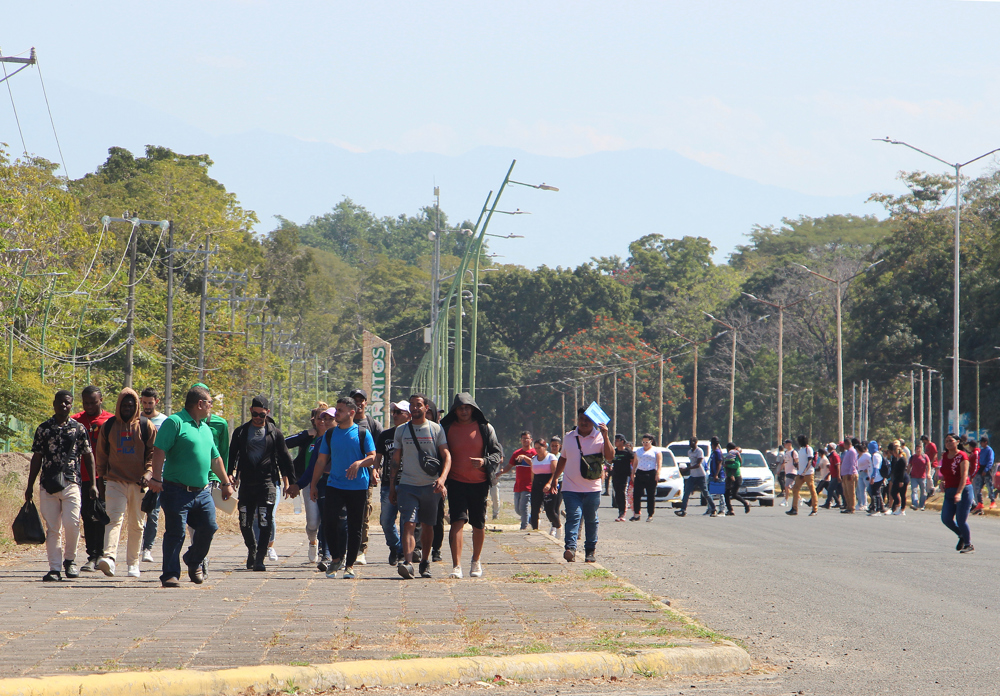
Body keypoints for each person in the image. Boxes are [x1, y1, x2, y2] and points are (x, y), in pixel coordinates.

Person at [146, 385, 235, 588]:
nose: (211, 406)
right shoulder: (175, 422)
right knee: (176, 533)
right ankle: (170, 574)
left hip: (202, 492)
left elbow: (215, 459)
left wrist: (226, 483)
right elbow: (159, 450)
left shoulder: (205, 427)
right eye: (210, 402)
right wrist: (156, 478)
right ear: (200, 404)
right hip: (176, 490)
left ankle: (193, 560)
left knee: (209, 527)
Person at [25, 391, 98, 582]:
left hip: (71, 483)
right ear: (54, 403)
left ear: (71, 405)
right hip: (48, 485)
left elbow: (89, 456)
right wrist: (29, 485)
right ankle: (54, 568)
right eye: (61, 402)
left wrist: (93, 484)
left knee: (72, 524)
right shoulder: (43, 429)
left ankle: (70, 560)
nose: (64, 406)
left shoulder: (79, 428)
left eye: (67, 403)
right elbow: (37, 458)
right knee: (53, 528)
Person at [310, 399, 376, 579]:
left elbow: (372, 457)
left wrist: (359, 463)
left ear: (351, 413)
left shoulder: (362, 433)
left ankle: (350, 565)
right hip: (334, 484)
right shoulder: (330, 434)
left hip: (358, 486)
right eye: (337, 409)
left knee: (355, 526)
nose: (336, 413)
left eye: (340, 410)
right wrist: (313, 485)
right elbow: (321, 461)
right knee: (329, 522)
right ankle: (336, 559)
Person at [95, 388, 157, 578]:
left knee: (137, 524)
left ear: (136, 406)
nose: (127, 408)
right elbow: (101, 454)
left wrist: (149, 472)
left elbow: (153, 453)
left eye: (131, 405)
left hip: (139, 484)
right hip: (115, 481)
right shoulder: (109, 426)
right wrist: (101, 480)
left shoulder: (146, 426)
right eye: (124, 405)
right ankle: (109, 558)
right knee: (114, 520)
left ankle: (133, 563)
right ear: (118, 406)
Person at [441, 393, 503, 579]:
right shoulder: (446, 428)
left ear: (473, 409)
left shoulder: (485, 428)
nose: (464, 411)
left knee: (478, 523)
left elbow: (497, 453)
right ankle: (456, 566)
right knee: (457, 522)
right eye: (460, 408)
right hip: (456, 482)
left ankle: (476, 560)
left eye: (467, 408)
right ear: (455, 410)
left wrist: (484, 461)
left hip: (479, 483)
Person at [229, 396, 295, 571]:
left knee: (265, 521)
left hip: (267, 483)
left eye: (262, 415)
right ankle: (252, 549)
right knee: (245, 522)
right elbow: (232, 454)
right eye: (255, 414)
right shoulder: (241, 432)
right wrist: (229, 474)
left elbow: (285, 458)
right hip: (247, 483)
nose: (258, 418)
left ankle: (260, 558)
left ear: (268, 413)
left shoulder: (274, 433)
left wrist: (292, 482)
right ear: (251, 411)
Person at [390, 394, 451, 579]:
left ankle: (425, 561)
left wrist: (442, 479)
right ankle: (408, 563)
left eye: (419, 405)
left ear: (426, 408)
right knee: (408, 523)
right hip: (407, 485)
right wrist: (392, 486)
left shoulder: (436, 429)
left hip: (430, 486)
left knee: (427, 526)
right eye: (412, 405)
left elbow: (447, 456)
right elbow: (395, 460)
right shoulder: (401, 430)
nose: (415, 408)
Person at [544, 408, 613, 563]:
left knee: (591, 519)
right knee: (573, 517)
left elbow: (610, 457)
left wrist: (606, 435)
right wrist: (555, 478)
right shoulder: (569, 437)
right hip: (571, 487)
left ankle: (590, 551)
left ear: (594, 421)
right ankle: (570, 548)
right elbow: (563, 458)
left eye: (588, 419)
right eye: (581, 418)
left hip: (592, 488)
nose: (584, 422)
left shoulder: (600, 437)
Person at [71, 385, 114, 572]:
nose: (89, 406)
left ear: (101, 400)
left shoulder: (111, 420)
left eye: (93, 403)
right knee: (87, 516)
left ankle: (103, 554)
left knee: (102, 515)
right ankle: (92, 556)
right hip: (83, 476)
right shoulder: (75, 420)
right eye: (86, 403)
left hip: (104, 476)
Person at [287, 406, 332, 569]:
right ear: (314, 420)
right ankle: (313, 541)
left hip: (330, 484)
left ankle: (327, 553)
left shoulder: (336, 437)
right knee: (313, 522)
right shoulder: (311, 439)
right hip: (309, 483)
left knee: (328, 519)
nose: (323, 421)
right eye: (319, 418)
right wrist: (306, 434)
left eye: (326, 418)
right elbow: (284, 443)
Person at [349, 388, 384, 566]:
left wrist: (376, 470)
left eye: (361, 400)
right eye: (355, 400)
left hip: (364, 478)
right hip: (343, 477)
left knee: (363, 514)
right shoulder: (342, 424)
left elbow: (379, 452)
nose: (358, 403)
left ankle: (361, 550)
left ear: (366, 402)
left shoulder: (373, 425)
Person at [373, 401, 410, 565]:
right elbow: (378, 457)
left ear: (408, 415)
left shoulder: (412, 434)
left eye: (399, 412)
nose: (395, 415)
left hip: (408, 482)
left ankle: (402, 552)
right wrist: (375, 469)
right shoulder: (385, 435)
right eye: (393, 412)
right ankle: (395, 546)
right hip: (389, 483)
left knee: (405, 521)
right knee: (386, 520)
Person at [139, 387, 169, 563]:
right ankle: (138, 544)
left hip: (158, 474)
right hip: (139, 473)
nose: (147, 406)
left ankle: (147, 548)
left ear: (156, 402)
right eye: (144, 402)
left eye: (150, 403)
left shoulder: (165, 421)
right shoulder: (137, 420)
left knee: (153, 512)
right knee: (138, 512)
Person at [939, 433, 974, 553]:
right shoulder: (945, 456)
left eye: (951, 441)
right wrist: (942, 481)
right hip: (949, 491)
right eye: (946, 441)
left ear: (957, 442)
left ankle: (969, 544)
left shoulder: (962, 456)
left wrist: (959, 493)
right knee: (946, 518)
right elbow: (945, 472)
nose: (948, 443)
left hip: (963, 491)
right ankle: (961, 534)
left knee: (961, 520)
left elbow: (964, 476)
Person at [502, 432, 536, 530]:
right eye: (523, 438)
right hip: (518, 485)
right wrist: (499, 473)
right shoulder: (516, 453)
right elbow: (509, 466)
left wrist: (525, 457)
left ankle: (523, 527)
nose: (525, 440)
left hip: (529, 485)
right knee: (518, 510)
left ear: (531, 440)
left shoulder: (534, 453)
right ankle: (532, 520)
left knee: (523, 507)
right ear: (521, 440)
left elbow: (535, 464)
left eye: (527, 438)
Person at [676, 436, 715, 518]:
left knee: (705, 493)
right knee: (686, 492)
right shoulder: (689, 452)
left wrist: (687, 468)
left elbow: (697, 464)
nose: (691, 444)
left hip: (700, 475)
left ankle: (713, 508)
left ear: (696, 443)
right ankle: (683, 510)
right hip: (693, 475)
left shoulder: (699, 451)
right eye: (690, 442)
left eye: (692, 442)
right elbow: (692, 463)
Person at [529, 438, 561, 535]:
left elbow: (555, 473)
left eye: (539, 448)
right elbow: (532, 474)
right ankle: (535, 531)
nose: (537, 450)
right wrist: (532, 485)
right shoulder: (534, 459)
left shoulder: (551, 457)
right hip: (536, 485)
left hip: (549, 485)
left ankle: (558, 526)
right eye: (536, 448)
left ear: (545, 447)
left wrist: (549, 484)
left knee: (550, 511)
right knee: (534, 510)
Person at [630, 434, 662, 521]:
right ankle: (636, 514)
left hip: (651, 473)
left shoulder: (656, 450)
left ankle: (650, 515)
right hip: (640, 473)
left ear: (651, 441)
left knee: (650, 495)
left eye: (646, 442)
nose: (645, 444)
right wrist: (633, 473)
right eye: (643, 442)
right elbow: (635, 463)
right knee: (636, 494)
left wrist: (658, 473)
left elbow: (659, 463)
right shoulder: (639, 451)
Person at [788, 435, 817, 516]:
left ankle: (814, 509)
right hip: (800, 473)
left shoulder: (809, 449)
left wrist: (804, 472)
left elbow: (809, 462)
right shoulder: (801, 449)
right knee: (795, 489)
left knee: (812, 490)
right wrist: (797, 467)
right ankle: (794, 509)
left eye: (799, 441)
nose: (798, 442)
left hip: (808, 473)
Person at [723, 442, 751, 515]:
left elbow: (737, 465)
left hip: (736, 477)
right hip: (729, 477)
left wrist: (727, 466)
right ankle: (730, 510)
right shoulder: (729, 456)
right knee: (726, 494)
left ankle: (745, 503)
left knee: (734, 494)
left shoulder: (736, 455)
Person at [610, 435, 633, 521]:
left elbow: (634, 461)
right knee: (617, 493)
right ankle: (620, 511)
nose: (615, 442)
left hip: (625, 475)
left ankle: (623, 512)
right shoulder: (614, 451)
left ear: (622, 441)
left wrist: (633, 473)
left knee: (622, 493)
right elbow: (610, 461)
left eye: (617, 440)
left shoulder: (628, 452)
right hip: (616, 475)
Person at [972, 435, 995, 513]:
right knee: (977, 487)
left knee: (989, 486)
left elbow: (990, 461)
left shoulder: (989, 450)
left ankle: (992, 501)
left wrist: (986, 469)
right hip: (980, 469)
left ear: (985, 442)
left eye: (982, 442)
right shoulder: (981, 450)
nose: (981, 444)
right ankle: (980, 502)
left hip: (986, 470)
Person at [907, 442, 931, 510]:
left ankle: (922, 505)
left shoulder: (925, 457)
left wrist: (928, 474)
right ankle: (915, 504)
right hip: (914, 477)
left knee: (923, 491)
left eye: (919, 449)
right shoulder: (912, 457)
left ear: (921, 449)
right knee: (914, 490)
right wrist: (906, 475)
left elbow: (928, 466)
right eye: (917, 449)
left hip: (922, 477)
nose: (918, 450)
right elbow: (909, 467)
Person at [887, 440, 908, 516]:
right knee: (893, 492)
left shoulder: (902, 460)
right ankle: (897, 506)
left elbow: (902, 471)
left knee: (902, 494)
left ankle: (902, 509)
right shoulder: (897, 459)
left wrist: (901, 481)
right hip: (897, 478)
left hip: (902, 479)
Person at [838, 439, 859, 514]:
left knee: (851, 492)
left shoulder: (852, 451)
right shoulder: (848, 451)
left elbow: (853, 463)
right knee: (846, 492)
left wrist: (850, 473)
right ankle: (848, 506)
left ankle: (852, 508)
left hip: (850, 474)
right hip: (845, 474)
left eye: (844, 444)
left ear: (847, 444)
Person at [820, 443, 842, 509]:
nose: (828, 449)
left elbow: (838, 466)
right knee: (840, 490)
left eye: (829, 447)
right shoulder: (831, 456)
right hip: (833, 475)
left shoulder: (835, 455)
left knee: (830, 489)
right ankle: (841, 503)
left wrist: (838, 475)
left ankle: (828, 503)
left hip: (836, 475)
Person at [867, 441, 886, 516]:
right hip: (875, 477)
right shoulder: (875, 455)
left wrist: (873, 477)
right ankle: (878, 508)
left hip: (877, 478)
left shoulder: (876, 456)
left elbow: (876, 468)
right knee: (874, 493)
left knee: (876, 494)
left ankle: (877, 509)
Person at [779, 440, 797, 507]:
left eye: (785, 444)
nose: (784, 445)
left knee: (786, 486)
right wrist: (780, 470)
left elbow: (797, 462)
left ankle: (785, 501)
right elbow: (784, 462)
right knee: (792, 488)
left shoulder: (794, 452)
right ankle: (800, 499)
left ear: (789, 444)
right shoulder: (786, 452)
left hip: (792, 472)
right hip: (787, 471)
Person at [856, 440, 872, 512]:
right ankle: (863, 504)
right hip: (860, 473)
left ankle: (873, 503)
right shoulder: (858, 456)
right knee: (861, 490)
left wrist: (868, 469)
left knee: (869, 489)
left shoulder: (866, 455)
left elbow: (871, 462)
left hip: (866, 474)